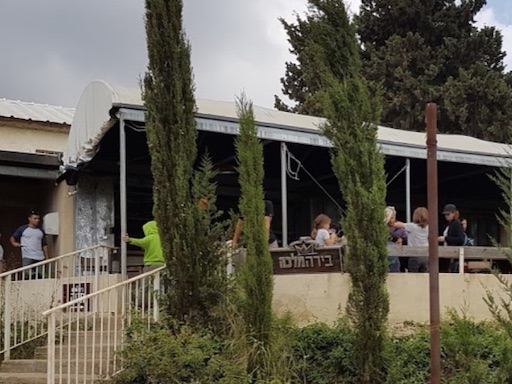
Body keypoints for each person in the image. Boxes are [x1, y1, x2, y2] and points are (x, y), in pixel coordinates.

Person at [394, 207, 429, 272]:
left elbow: (395, 225)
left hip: (414, 255)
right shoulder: (428, 227)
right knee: (424, 277)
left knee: (413, 276)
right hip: (425, 255)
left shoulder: (413, 226)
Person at [438, 204, 465, 272]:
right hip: (447, 252)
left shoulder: (457, 224)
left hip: (453, 253)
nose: (446, 216)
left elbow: (461, 239)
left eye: (448, 214)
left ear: (453, 213)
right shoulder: (449, 224)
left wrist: (445, 238)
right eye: (445, 214)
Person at [385, 206, 407, 273]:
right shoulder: (382, 227)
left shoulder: (399, 226)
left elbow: (406, 235)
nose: (391, 220)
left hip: (400, 253)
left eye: (393, 218)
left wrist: (401, 239)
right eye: (390, 218)